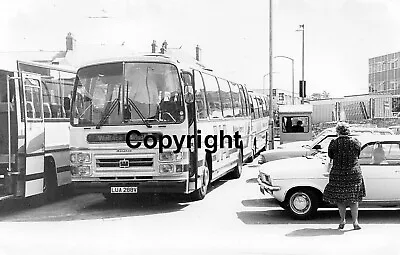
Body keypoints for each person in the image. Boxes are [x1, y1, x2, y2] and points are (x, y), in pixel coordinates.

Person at [323, 122, 366, 230]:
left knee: (340, 199)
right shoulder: (355, 142)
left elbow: (330, 156)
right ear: (348, 131)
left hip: (338, 173)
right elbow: (358, 154)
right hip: (353, 173)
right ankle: (355, 222)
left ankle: (342, 221)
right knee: (354, 199)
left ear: (337, 131)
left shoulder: (333, 143)